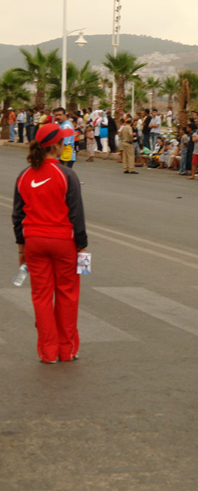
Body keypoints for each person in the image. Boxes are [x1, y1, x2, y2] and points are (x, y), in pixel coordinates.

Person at [12, 123, 88, 364]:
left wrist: (21, 248)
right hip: (63, 243)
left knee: (41, 297)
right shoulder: (67, 174)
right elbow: (76, 215)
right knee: (67, 295)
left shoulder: (24, 176)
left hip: (34, 243)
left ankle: (48, 352)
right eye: (64, 140)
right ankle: (67, 351)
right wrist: (82, 247)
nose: (66, 144)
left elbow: (17, 216)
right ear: (55, 146)